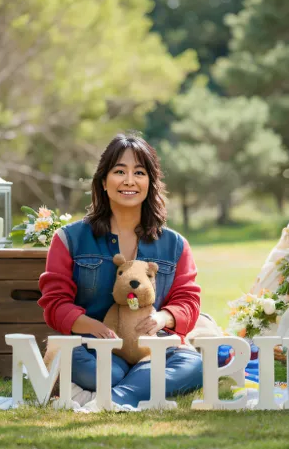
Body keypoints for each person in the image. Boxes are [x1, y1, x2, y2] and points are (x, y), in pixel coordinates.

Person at [37, 133, 203, 408]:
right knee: (100, 369)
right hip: (91, 349)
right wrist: (95, 328)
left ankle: (114, 397)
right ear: (103, 182)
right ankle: (137, 385)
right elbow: (55, 304)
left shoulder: (175, 244)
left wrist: (162, 319)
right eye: (119, 171)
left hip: (153, 349)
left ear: (150, 183)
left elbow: (188, 301)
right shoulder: (70, 239)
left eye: (139, 172)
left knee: (194, 365)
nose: (129, 181)